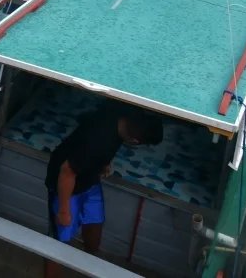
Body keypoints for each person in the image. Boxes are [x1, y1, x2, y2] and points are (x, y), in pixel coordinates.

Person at [44, 104, 163, 278]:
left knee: (94, 224)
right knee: (59, 240)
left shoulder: (122, 112)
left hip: (90, 178)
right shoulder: (96, 142)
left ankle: (89, 263)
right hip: (67, 184)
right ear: (135, 141)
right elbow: (66, 172)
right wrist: (63, 210)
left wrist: (104, 161)